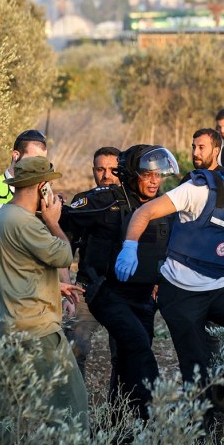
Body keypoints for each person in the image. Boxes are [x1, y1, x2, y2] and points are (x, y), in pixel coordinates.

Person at [115, 149, 224, 426]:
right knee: (196, 366)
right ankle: (199, 435)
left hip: (214, 288)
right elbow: (145, 211)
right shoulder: (198, 191)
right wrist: (130, 246)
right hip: (178, 291)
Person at [0, 156, 88, 445]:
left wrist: (51, 285)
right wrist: (54, 222)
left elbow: (16, 269)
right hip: (37, 332)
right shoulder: (26, 222)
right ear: (42, 187)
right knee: (73, 405)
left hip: (11, 328)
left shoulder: (5, 216)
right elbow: (62, 256)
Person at [61, 145, 178, 420]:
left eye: (158, 176)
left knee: (129, 357)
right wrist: (63, 277)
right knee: (138, 349)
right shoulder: (105, 200)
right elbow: (64, 226)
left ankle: (120, 428)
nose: (154, 181)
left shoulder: (162, 205)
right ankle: (151, 416)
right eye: (147, 175)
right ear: (130, 174)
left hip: (143, 297)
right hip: (105, 292)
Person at [64, 146, 121, 380]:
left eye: (112, 169)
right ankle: (74, 412)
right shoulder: (85, 203)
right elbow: (65, 246)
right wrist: (65, 284)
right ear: (93, 171)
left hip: (122, 292)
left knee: (125, 354)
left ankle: (119, 411)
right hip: (87, 289)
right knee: (73, 348)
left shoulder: (134, 203)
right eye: (100, 169)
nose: (106, 175)